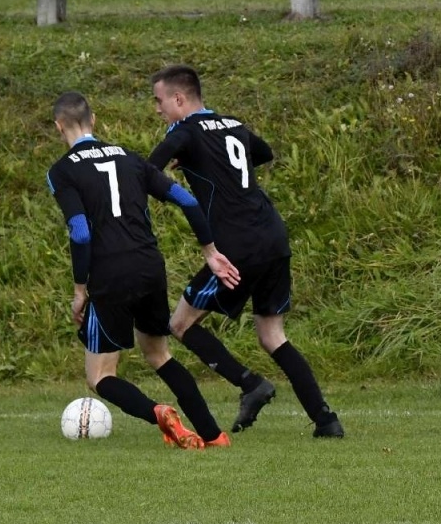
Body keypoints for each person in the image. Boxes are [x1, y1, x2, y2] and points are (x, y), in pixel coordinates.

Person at [148, 65, 345, 439]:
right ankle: (326, 421)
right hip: (272, 235)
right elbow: (264, 152)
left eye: (159, 102)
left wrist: (181, 168)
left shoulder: (183, 131)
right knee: (272, 335)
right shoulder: (232, 124)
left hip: (236, 245)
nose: (157, 110)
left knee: (180, 324)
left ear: (178, 99)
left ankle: (250, 383)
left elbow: (147, 171)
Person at [46, 91, 240, 449]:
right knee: (158, 354)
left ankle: (159, 413)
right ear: (95, 120)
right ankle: (213, 434)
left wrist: (79, 290)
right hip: (150, 266)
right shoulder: (130, 158)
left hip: (110, 273)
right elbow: (187, 200)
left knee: (100, 376)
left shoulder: (62, 171)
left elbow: (81, 231)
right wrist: (210, 251)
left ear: (59, 126)